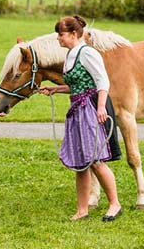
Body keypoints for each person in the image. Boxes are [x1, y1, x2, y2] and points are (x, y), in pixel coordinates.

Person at [39, 15, 123, 222]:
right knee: (81, 162)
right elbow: (77, 84)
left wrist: (101, 107)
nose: (58, 38)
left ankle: (115, 204)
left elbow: (102, 81)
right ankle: (82, 208)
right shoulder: (71, 54)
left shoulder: (88, 53)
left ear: (74, 34)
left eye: (61, 34)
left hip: (92, 108)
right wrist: (56, 88)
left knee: (95, 159)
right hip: (77, 108)